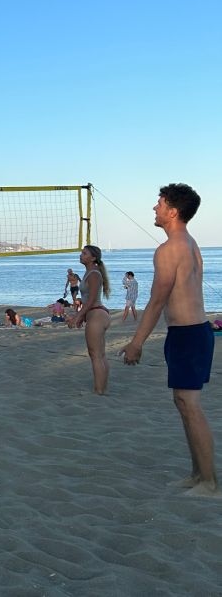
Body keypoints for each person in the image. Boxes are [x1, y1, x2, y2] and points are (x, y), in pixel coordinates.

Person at [120, 184, 218, 497]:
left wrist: (136, 343)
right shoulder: (189, 242)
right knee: (183, 403)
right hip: (190, 333)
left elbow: (156, 301)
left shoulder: (169, 249)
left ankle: (210, 483)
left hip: (189, 335)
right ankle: (197, 474)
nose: (154, 208)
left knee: (190, 407)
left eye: (159, 203)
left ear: (172, 211)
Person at [66, 246, 112, 395]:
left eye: (84, 253)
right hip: (96, 314)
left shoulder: (93, 274)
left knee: (95, 355)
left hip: (97, 314)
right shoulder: (90, 272)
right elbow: (88, 300)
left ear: (93, 258)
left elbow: (92, 300)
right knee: (100, 355)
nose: (81, 255)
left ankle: (98, 391)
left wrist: (78, 316)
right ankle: (103, 389)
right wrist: (83, 316)